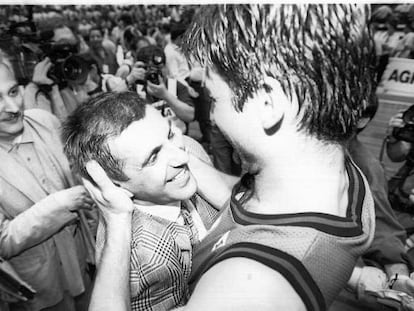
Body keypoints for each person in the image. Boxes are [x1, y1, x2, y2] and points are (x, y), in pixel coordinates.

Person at [86, 4, 376, 311]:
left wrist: (117, 222)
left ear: (267, 102)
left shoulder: (246, 288)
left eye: (214, 97)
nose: (213, 115)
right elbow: (237, 204)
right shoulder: (332, 170)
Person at [62, 91, 219, 311]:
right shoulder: (146, 260)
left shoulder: (188, 149)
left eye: (170, 134)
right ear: (115, 184)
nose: (182, 157)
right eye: (153, 157)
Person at [0, 49, 94, 311]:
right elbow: (3, 241)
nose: (12, 107)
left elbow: (79, 179)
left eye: (13, 92)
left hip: (83, 265)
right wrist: (59, 204)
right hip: (40, 292)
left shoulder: (44, 121)